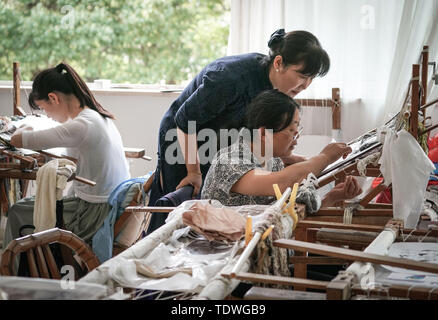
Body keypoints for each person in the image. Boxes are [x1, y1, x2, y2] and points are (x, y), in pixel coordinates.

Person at [147, 28, 330, 233]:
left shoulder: (274, 88)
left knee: (214, 202)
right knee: (182, 204)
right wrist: (193, 171)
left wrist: (287, 158)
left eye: (311, 78)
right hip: (182, 133)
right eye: (302, 75)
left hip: (220, 136)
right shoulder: (229, 78)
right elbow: (185, 119)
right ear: (278, 63)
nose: (306, 85)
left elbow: (255, 134)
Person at [4, 62, 130, 258]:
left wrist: (26, 125)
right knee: (29, 205)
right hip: (107, 204)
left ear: (53, 98)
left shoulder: (82, 125)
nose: (47, 115)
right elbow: (72, 159)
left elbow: (16, 139)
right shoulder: (97, 116)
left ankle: (11, 275)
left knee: (18, 211)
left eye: (43, 108)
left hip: (93, 212)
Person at [201, 89, 362, 209]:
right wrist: (325, 157)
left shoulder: (273, 161)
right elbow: (282, 182)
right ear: (264, 132)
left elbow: (292, 213)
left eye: (298, 130)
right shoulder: (230, 162)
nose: (296, 137)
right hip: (228, 250)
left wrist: (333, 197)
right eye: (292, 130)